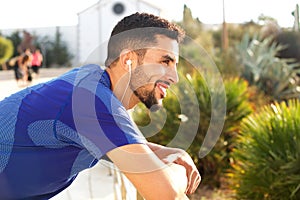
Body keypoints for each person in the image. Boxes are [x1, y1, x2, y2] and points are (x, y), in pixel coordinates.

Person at [0, 12, 201, 199]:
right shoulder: (91, 100)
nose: (174, 77)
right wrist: (182, 169)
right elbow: (163, 192)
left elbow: (111, 141)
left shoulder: (90, 82)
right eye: (165, 62)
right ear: (128, 60)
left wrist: (165, 152)